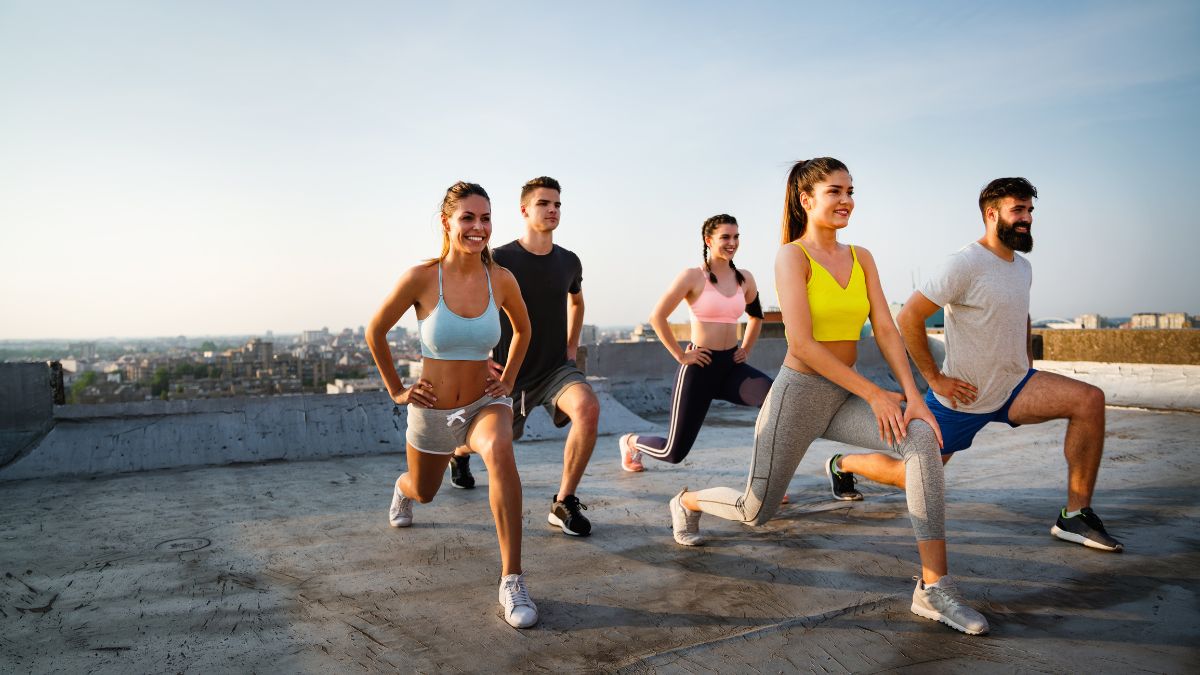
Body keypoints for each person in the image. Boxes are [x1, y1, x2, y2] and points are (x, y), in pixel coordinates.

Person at [671, 158, 989, 635]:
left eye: (850, 191)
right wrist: (876, 395)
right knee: (755, 511)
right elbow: (801, 344)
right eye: (835, 191)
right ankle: (687, 501)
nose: (846, 200)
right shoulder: (792, 256)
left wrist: (914, 396)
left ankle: (934, 587)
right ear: (806, 199)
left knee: (922, 438)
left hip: (845, 393)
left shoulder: (863, 256)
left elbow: (886, 328)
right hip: (798, 397)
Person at [830, 177, 1123, 553]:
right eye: (1018, 210)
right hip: (961, 398)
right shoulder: (964, 263)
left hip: (1014, 387)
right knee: (907, 476)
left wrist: (1026, 359)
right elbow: (909, 317)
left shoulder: (1022, 267)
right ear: (992, 214)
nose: (1027, 218)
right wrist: (935, 378)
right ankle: (844, 463)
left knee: (1089, 400)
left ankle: (1075, 515)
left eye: (1030, 210)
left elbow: (1021, 313)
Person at [366, 181, 538, 629]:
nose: (478, 227)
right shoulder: (422, 278)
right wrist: (397, 390)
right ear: (447, 222)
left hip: (484, 403)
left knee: (500, 451)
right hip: (433, 411)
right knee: (425, 491)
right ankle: (403, 490)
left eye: (485, 218)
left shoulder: (501, 279)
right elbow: (375, 331)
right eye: (468, 217)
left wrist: (509, 379)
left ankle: (512, 579)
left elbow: (524, 330)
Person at [451, 176, 600, 537]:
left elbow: (577, 302)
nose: (552, 210)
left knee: (588, 409)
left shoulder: (569, 261)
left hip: (556, 370)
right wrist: (477, 357)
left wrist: (571, 346)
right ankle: (459, 454)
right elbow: (468, 304)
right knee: (491, 442)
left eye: (557, 204)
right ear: (524, 210)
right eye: (543, 203)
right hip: (510, 374)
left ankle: (563, 501)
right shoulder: (499, 259)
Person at [617, 214, 771, 471]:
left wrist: (746, 348)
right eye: (725, 237)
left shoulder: (745, 278)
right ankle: (631, 442)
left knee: (774, 399)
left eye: (736, 237)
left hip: (731, 367)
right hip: (700, 367)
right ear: (708, 240)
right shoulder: (693, 276)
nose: (732, 242)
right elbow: (657, 317)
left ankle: (767, 474)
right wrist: (681, 355)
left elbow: (756, 316)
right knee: (673, 452)